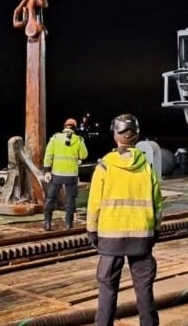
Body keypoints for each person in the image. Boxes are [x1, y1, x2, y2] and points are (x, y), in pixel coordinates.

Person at [86, 114, 162, 326]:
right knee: (144, 289)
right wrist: (155, 230)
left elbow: (94, 204)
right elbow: (157, 204)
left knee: (108, 289)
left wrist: (92, 231)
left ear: (115, 136)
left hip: (111, 238)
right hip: (142, 237)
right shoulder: (147, 168)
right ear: (136, 136)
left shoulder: (104, 166)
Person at [42, 118, 88, 230]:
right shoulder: (78, 140)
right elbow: (84, 155)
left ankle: (47, 223)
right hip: (71, 176)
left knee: (51, 198)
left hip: (56, 175)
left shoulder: (55, 138)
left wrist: (47, 170)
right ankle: (68, 224)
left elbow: (48, 155)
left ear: (64, 126)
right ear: (75, 128)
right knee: (71, 199)